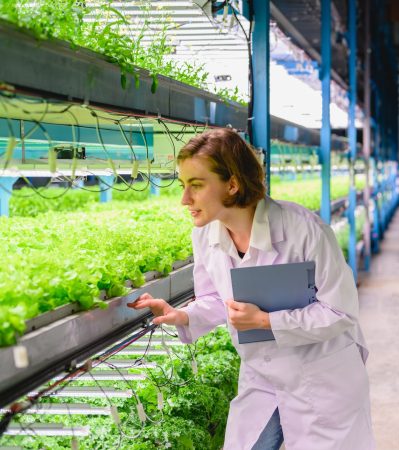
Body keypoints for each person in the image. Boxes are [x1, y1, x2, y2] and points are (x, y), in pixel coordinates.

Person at [128, 128, 374, 450]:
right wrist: (183, 315)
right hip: (262, 377)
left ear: (232, 184)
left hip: (321, 375)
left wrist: (265, 322)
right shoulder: (205, 236)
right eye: (183, 186)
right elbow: (217, 299)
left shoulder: (304, 231)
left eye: (196, 186)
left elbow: (340, 311)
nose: (184, 199)